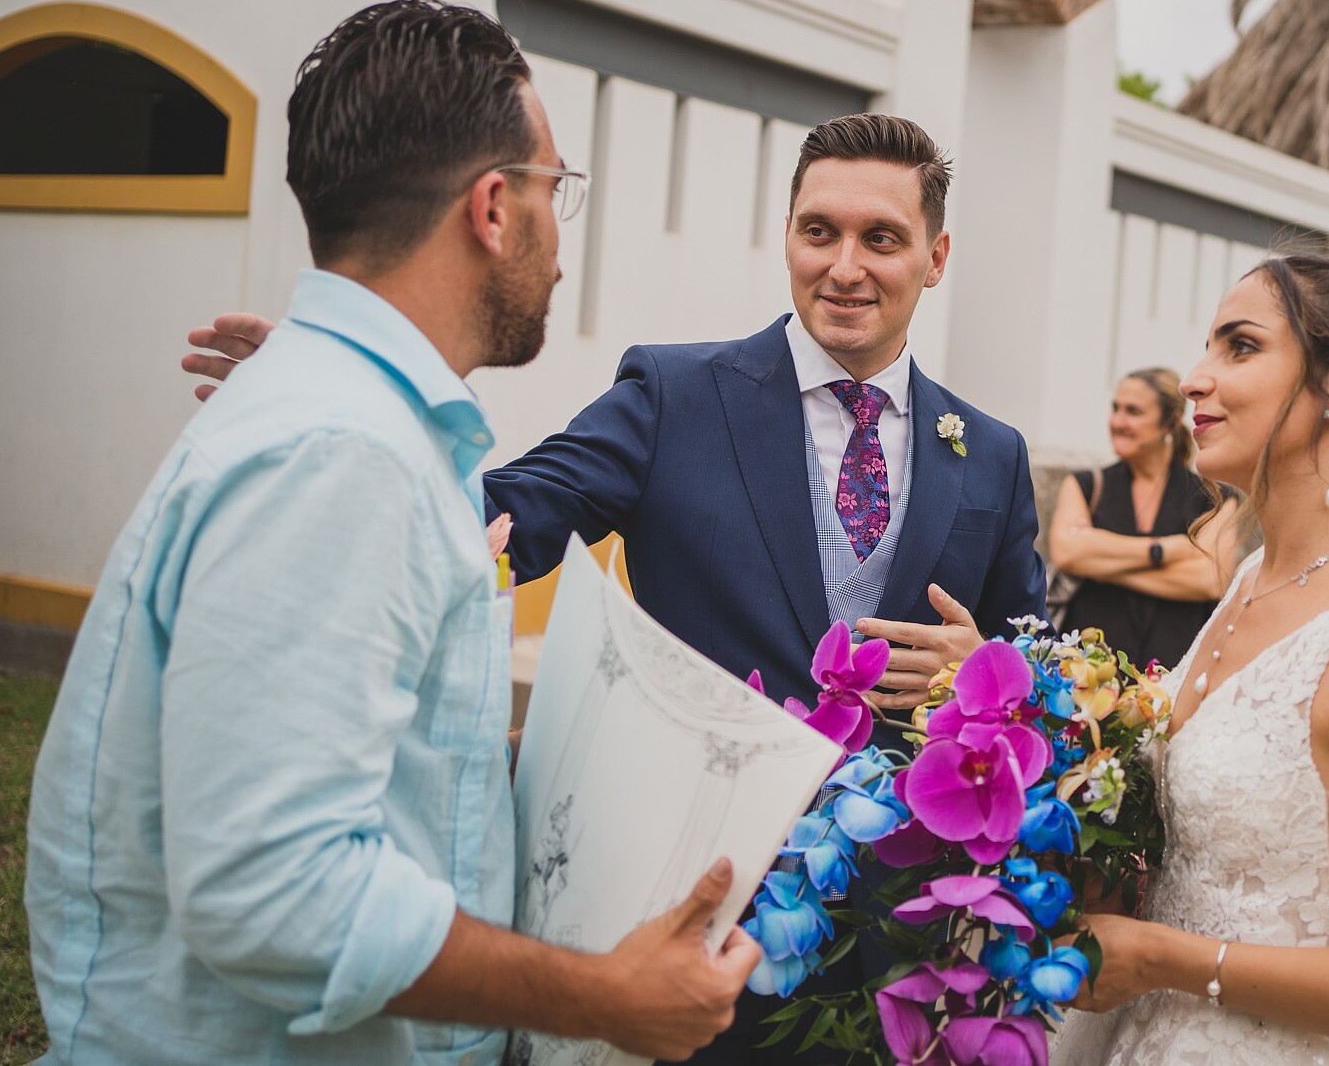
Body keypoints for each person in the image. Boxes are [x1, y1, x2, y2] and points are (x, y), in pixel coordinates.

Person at [180, 111, 1050, 1063]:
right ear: (789, 236)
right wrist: (352, 410)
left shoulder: (993, 454)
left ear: (935, 255)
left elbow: (1033, 670)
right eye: (819, 231)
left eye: (881, 238)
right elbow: (514, 512)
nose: (845, 265)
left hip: (890, 943)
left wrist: (982, 670)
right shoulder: (677, 395)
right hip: (675, 913)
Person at [26, 0, 757, 1066]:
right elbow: (273, 889)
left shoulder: (348, 419)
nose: (562, 234)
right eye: (560, 188)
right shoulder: (340, 454)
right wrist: (605, 997)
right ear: (494, 207)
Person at [1051, 253, 1329, 1065]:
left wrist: (1159, 958)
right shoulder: (1254, 578)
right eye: (1207, 347)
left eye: (1240, 346)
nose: (1194, 379)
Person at [1048, 367, 1240, 670]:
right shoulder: (1086, 485)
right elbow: (1068, 553)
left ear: (1171, 422)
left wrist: (1100, 563)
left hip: (1173, 676)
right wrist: (1166, 551)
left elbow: (1209, 580)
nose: (1118, 422)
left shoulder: (1215, 498)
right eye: (1116, 409)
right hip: (1085, 677)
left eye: (1133, 411)